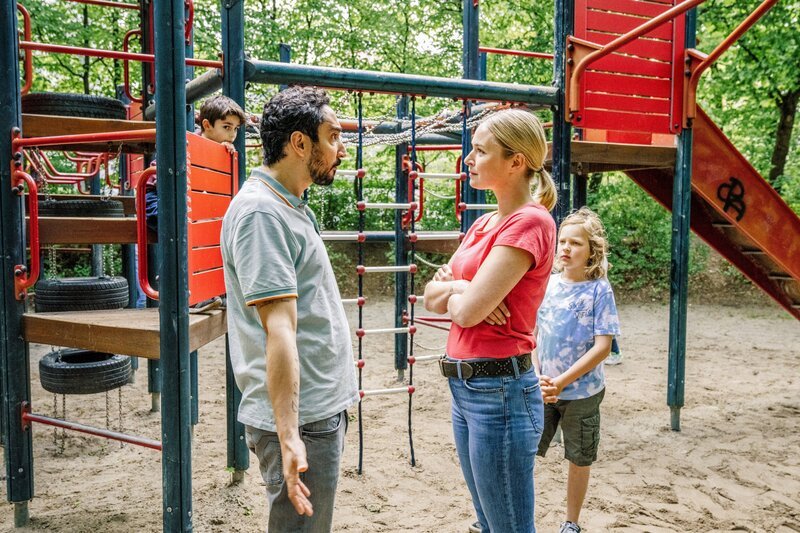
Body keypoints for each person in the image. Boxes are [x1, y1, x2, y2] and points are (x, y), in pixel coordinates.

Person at [221, 86, 359, 532]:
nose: (341, 148)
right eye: (333, 136)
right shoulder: (262, 214)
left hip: (317, 410)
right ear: (300, 143)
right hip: (304, 419)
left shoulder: (287, 205)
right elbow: (278, 331)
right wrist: (289, 435)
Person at [423, 109, 557, 533]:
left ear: (516, 162)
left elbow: (460, 313)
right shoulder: (484, 222)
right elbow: (430, 298)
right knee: (488, 521)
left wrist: (459, 292)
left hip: (500, 392)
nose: (468, 159)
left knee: (509, 527)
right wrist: (468, 288)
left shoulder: (530, 221)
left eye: (480, 151)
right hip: (466, 389)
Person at [534, 207, 621, 533]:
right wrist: (538, 375)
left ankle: (571, 522)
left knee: (579, 457)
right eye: (563, 242)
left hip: (583, 393)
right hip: (542, 388)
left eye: (576, 243)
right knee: (525, 451)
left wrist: (561, 381)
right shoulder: (548, 284)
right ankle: (517, 513)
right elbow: (533, 334)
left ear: (592, 250)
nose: (566, 249)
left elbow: (603, 347)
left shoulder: (599, 289)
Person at [143, 94, 246, 231]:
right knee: (180, 219)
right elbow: (163, 180)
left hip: (183, 199)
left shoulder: (221, 151)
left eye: (236, 128)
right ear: (207, 125)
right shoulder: (189, 145)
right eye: (227, 127)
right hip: (156, 199)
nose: (232, 135)